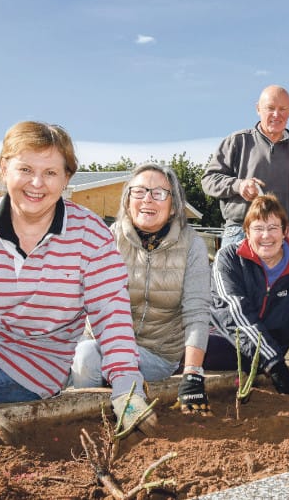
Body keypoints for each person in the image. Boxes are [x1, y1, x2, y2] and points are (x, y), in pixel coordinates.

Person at [0, 121, 157, 445]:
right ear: (4, 167)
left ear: (67, 178)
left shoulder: (90, 237)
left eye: (51, 173)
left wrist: (126, 385)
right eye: (25, 168)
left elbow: (112, 314)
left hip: (28, 358)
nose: (37, 183)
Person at [71, 163, 212, 414]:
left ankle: (111, 416)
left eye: (159, 193)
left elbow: (197, 311)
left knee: (87, 359)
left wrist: (192, 373)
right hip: (105, 344)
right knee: (79, 357)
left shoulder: (192, 245)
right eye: (139, 191)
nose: (148, 198)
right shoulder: (110, 239)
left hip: (156, 353)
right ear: (127, 201)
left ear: (173, 206)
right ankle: (93, 418)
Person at [210, 195, 289, 401]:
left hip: (271, 353)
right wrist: (275, 366)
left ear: (285, 232)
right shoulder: (229, 258)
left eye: (273, 227)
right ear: (247, 232)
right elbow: (233, 311)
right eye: (258, 228)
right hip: (222, 344)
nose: (266, 236)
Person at [202, 85, 289, 246]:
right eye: (270, 108)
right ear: (258, 109)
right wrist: (239, 185)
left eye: (282, 109)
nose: (276, 114)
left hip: (278, 237)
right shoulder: (237, 141)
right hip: (239, 232)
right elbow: (209, 180)